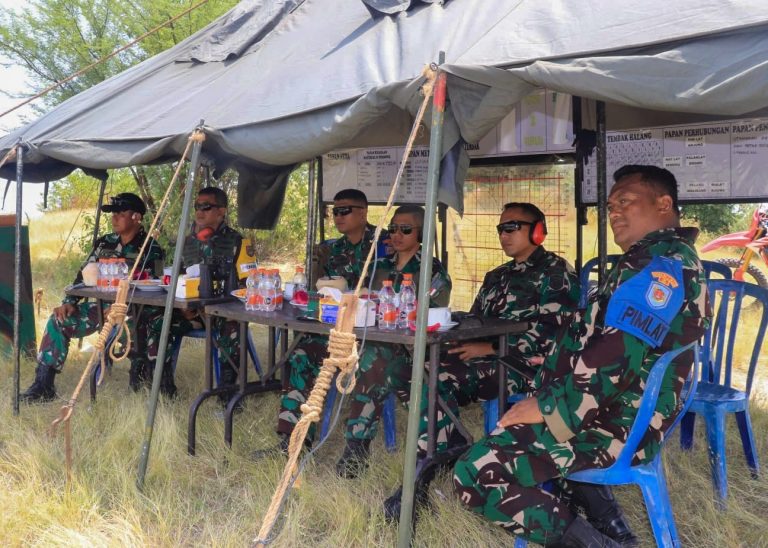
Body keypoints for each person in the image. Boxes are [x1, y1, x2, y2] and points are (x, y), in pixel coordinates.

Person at [453, 165, 710, 547]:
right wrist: (554, 367)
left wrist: (548, 407)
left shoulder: (660, 265)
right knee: (517, 439)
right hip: (612, 406)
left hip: (617, 422)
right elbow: (604, 338)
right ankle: (612, 530)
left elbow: (616, 355)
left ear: (663, 204)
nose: (614, 212)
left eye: (626, 201)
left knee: (476, 473)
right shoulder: (654, 256)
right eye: (610, 206)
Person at [382, 203, 581, 516]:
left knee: (436, 379)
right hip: (483, 358)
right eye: (501, 229)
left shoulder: (556, 274)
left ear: (537, 231)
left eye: (512, 227)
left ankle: (422, 477)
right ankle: (450, 440)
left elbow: (553, 335)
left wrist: (490, 348)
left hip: (522, 366)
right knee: (403, 369)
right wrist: (455, 333)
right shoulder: (496, 276)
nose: (504, 234)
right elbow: (476, 319)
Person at [253, 189, 388, 456]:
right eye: (334, 212)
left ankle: (356, 451)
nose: (338, 216)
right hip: (334, 329)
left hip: (374, 333)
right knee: (300, 354)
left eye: (344, 211)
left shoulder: (384, 245)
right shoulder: (332, 249)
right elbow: (319, 290)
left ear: (363, 212)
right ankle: (293, 440)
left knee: (371, 363)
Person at [337, 204, 452, 478]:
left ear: (421, 233)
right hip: (377, 343)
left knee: (374, 361)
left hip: (415, 351)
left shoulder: (433, 272)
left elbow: (431, 318)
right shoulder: (380, 266)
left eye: (406, 229)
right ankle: (355, 447)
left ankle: (356, 448)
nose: (397, 235)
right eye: (393, 228)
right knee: (372, 357)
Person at [21, 193, 165, 403]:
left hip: (132, 312)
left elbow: (155, 288)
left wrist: (121, 308)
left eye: (120, 213)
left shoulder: (152, 248)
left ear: (136, 217)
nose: (114, 217)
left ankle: (141, 377)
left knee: (139, 328)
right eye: (112, 213)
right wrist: (69, 302)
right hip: (99, 309)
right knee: (59, 320)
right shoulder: (105, 243)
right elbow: (83, 275)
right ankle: (43, 385)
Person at [145, 186, 255, 399]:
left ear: (221, 211)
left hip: (223, 312)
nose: (199, 211)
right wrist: (184, 307)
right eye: (197, 206)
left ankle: (227, 396)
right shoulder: (186, 243)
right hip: (191, 314)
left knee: (234, 326)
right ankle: (164, 391)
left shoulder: (237, 242)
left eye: (206, 207)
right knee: (157, 320)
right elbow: (175, 279)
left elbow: (249, 285)